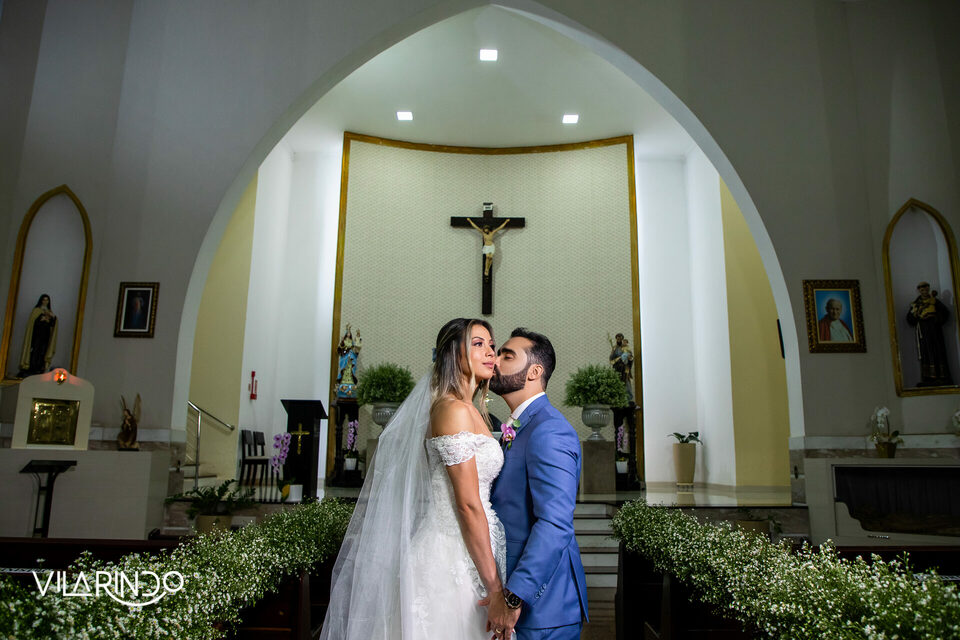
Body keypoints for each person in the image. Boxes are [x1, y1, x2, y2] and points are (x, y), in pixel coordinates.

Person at [320, 318, 506, 639]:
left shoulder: (472, 409)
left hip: (475, 550)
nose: (491, 352)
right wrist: (496, 588)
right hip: (451, 555)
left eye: (491, 344)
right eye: (478, 344)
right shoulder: (453, 410)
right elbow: (467, 504)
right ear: (452, 354)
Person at [486, 328, 588, 640]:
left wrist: (514, 596)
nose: (495, 359)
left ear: (534, 371)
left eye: (507, 355)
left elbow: (556, 524)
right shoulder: (522, 426)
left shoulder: (550, 431)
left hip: (543, 607)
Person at [906, 281, 953, 386]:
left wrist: (934, 317)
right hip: (923, 333)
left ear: (929, 289)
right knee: (926, 354)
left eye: (926, 289)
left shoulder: (934, 301)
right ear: (919, 290)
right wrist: (918, 316)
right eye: (922, 290)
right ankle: (928, 378)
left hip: (935, 332)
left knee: (938, 352)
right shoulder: (916, 304)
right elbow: (909, 319)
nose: (924, 291)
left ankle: (942, 377)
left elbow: (945, 313)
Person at [18, 294, 57, 377]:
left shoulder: (50, 312)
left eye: (47, 300)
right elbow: (32, 323)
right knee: (35, 351)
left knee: (42, 352)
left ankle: (39, 368)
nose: (45, 301)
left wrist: (53, 318)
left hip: (45, 336)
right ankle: (32, 368)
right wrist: (41, 319)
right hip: (37, 336)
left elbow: (53, 325)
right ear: (41, 301)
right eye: (44, 300)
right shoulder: (36, 311)